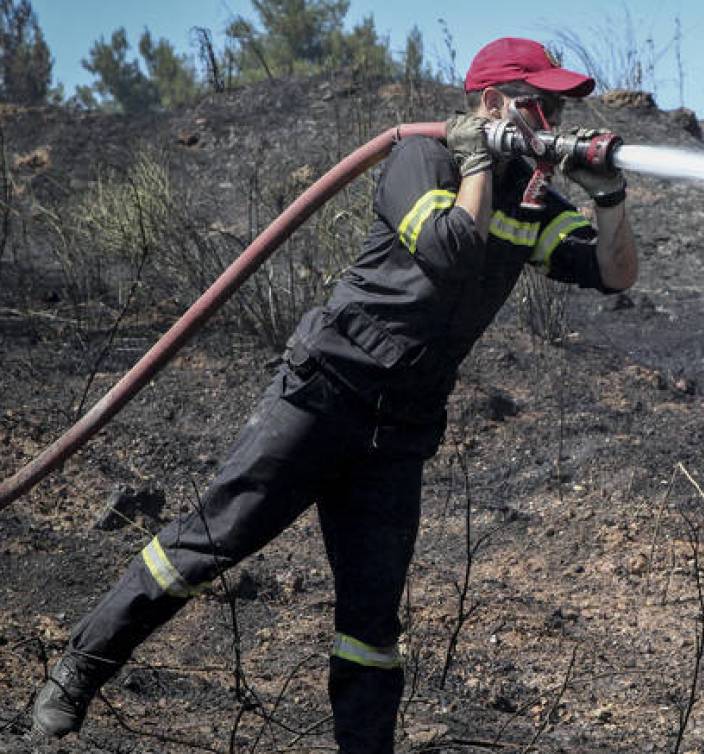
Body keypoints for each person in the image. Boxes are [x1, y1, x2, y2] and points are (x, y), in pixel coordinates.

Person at [32, 36, 637, 754]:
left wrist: (610, 198)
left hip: (401, 428)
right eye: (546, 105)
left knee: (373, 627)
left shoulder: (532, 200)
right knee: (204, 545)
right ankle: (77, 671)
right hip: (324, 394)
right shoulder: (423, 158)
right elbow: (449, 250)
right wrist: (476, 159)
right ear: (494, 104)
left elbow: (615, 273)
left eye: (563, 108)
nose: (556, 121)